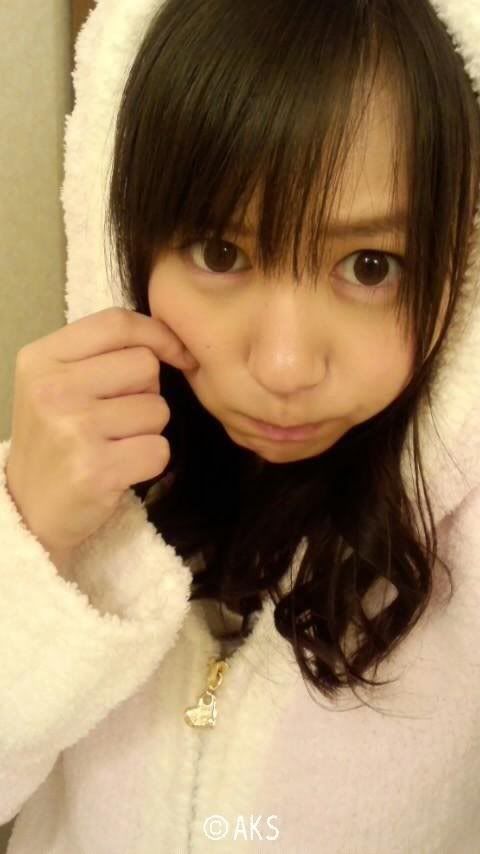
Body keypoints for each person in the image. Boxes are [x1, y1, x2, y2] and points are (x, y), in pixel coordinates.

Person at [1, 0, 480, 850]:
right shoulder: (47, 487)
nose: (286, 366)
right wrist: (28, 546)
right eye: (221, 254)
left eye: (371, 266)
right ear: (124, 238)